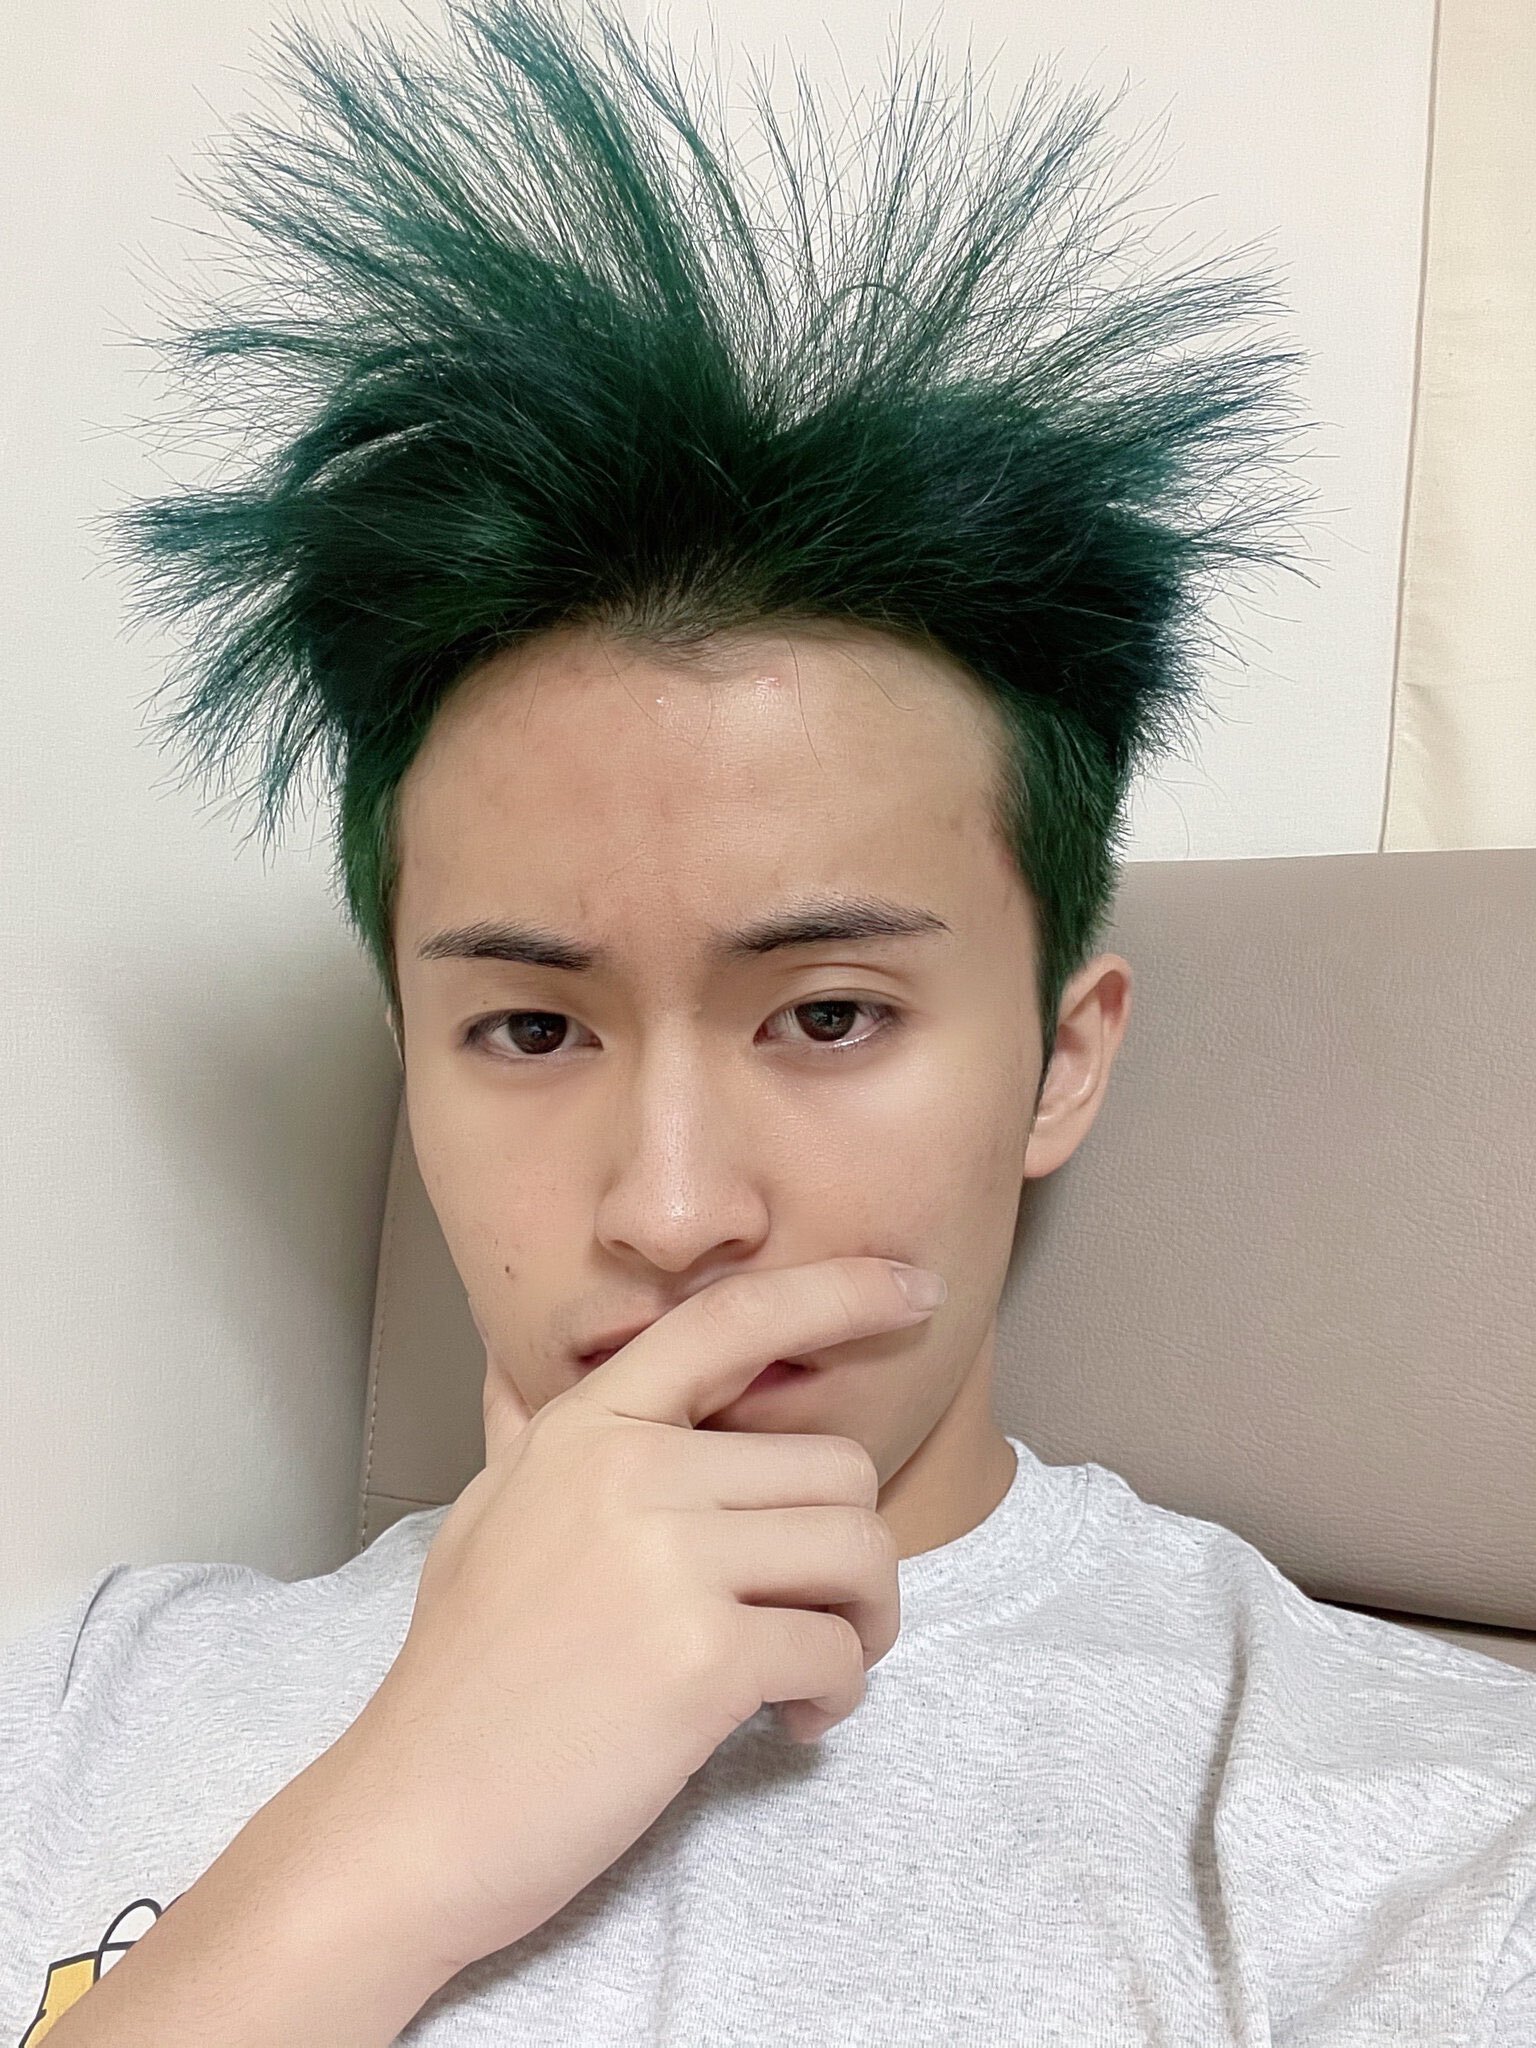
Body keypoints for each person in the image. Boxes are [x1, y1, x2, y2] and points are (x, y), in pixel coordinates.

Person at [5, 1, 1535, 2042]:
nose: (669, 1211)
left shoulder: (1418, 1844)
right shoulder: (75, 1698)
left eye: (824, 1012)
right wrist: (384, 1840)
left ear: (1064, 1056)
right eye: (529, 1031)